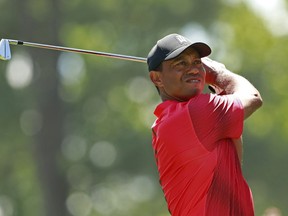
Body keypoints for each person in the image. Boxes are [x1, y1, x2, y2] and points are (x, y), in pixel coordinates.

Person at [147, 33, 263, 216]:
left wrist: (220, 86)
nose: (193, 69)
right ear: (157, 78)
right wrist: (219, 74)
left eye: (196, 62)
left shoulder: (179, 118)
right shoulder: (193, 113)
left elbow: (233, 156)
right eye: (180, 64)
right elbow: (253, 98)